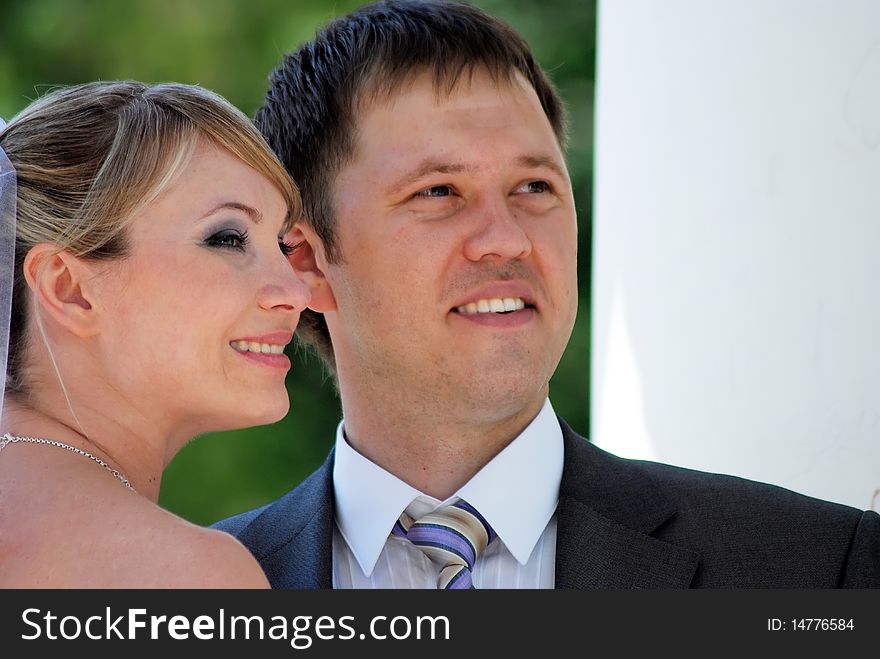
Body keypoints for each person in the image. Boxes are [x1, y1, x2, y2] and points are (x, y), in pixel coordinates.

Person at [215, 0, 880, 588]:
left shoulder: (820, 568)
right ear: (306, 261)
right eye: (438, 192)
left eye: (534, 187)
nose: (506, 239)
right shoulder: (190, 593)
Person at [0, 81, 310, 587]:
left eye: (280, 244)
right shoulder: (184, 574)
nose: (295, 292)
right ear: (69, 289)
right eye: (228, 238)